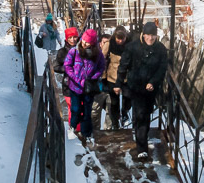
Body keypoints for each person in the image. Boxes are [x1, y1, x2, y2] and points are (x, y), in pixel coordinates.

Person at [116, 21, 169, 159]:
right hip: (136, 86)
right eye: (148, 35)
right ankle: (142, 148)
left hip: (151, 88)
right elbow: (123, 65)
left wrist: (153, 82)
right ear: (143, 35)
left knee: (145, 113)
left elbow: (162, 68)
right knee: (141, 115)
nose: (150, 38)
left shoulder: (161, 49)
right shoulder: (133, 47)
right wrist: (118, 83)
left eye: (153, 36)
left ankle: (138, 131)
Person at [64, 29, 106, 143]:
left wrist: (93, 78)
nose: (84, 43)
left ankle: (86, 132)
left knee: (87, 111)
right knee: (76, 109)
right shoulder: (74, 51)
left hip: (89, 87)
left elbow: (101, 67)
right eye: (83, 40)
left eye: (87, 42)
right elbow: (67, 65)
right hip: (75, 86)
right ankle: (72, 127)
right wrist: (76, 78)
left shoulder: (97, 54)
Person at [101, 26, 129, 130]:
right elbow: (102, 60)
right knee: (114, 102)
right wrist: (103, 77)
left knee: (128, 98)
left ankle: (124, 113)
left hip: (126, 76)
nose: (120, 41)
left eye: (123, 39)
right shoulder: (109, 44)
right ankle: (115, 123)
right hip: (112, 76)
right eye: (118, 39)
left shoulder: (129, 44)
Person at [54, 26, 79, 125]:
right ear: (66, 39)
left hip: (82, 84)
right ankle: (73, 128)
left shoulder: (82, 50)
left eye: (74, 37)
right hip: (68, 84)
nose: (72, 40)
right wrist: (68, 69)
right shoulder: (62, 52)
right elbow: (56, 66)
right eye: (70, 38)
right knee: (72, 108)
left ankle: (81, 131)